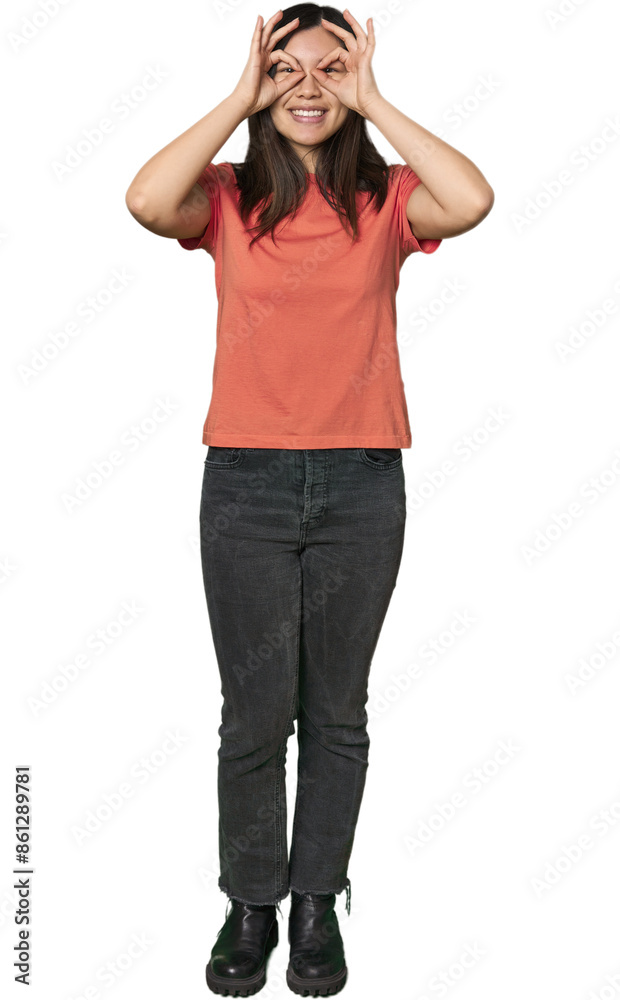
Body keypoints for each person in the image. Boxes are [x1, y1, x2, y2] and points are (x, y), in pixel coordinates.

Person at [125, 4, 494, 995]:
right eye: (287, 67)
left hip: (359, 482)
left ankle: (316, 903)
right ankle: (251, 905)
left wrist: (374, 98)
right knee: (254, 716)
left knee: (335, 713)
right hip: (244, 481)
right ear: (262, 81)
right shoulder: (228, 197)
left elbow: (472, 198)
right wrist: (237, 95)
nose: (308, 85)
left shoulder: (387, 199)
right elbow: (145, 199)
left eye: (330, 67)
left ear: (354, 81)